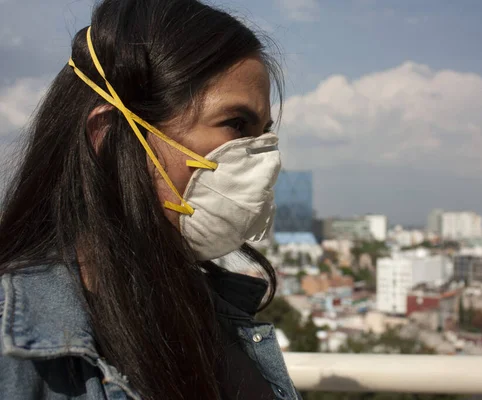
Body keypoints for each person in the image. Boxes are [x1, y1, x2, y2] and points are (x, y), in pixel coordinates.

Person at [0, 0, 299, 399]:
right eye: (236, 125)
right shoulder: (16, 348)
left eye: (262, 133)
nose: (263, 159)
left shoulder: (223, 319)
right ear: (107, 136)